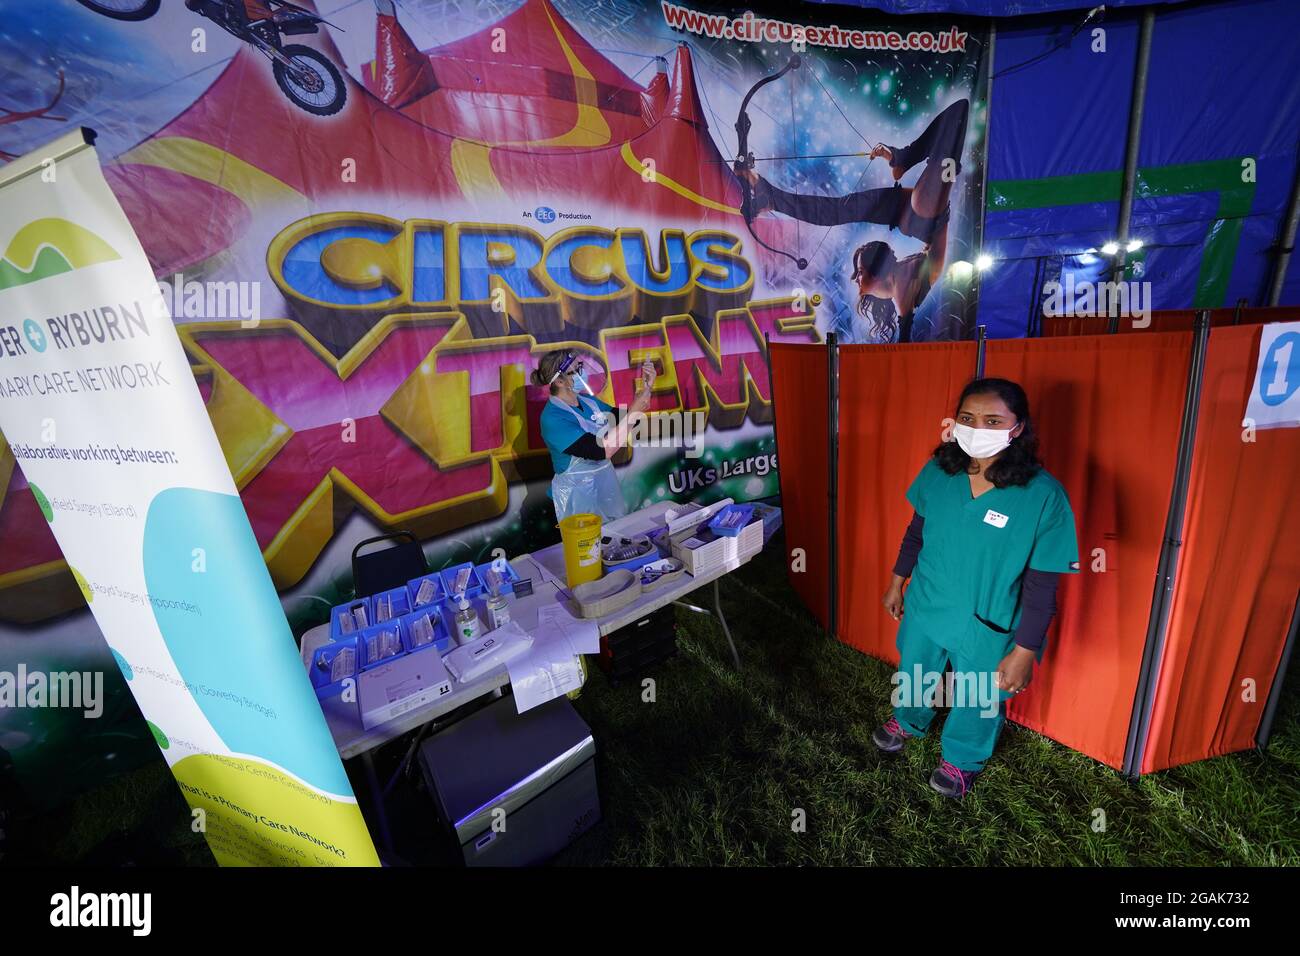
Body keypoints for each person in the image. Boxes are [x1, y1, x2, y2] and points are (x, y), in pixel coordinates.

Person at [874, 378, 1079, 798]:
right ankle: (909, 719)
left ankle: (963, 758)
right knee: (915, 667)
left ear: (1017, 428)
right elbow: (917, 532)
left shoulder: (1043, 497)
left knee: (978, 694)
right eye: (968, 418)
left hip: (987, 620)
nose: (976, 428)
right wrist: (897, 582)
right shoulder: (940, 470)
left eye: (992, 420)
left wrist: (1024, 651)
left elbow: (1042, 588)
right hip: (927, 604)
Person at [739, 98, 968, 343]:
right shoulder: (903, 289)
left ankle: (770, 198)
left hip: (906, 213)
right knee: (958, 114)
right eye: (860, 272)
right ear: (879, 271)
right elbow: (905, 334)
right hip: (928, 217)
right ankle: (902, 158)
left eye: (858, 272)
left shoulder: (894, 288)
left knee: (837, 211)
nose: (855, 278)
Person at [533, 349, 656, 522]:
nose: (581, 373)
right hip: (574, 499)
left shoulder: (589, 401)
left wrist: (647, 388)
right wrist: (635, 410)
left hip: (603, 488)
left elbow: (629, 420)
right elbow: (601, 451)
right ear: (560, 381)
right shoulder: (553, 418)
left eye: (580, 366)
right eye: (575, 370)